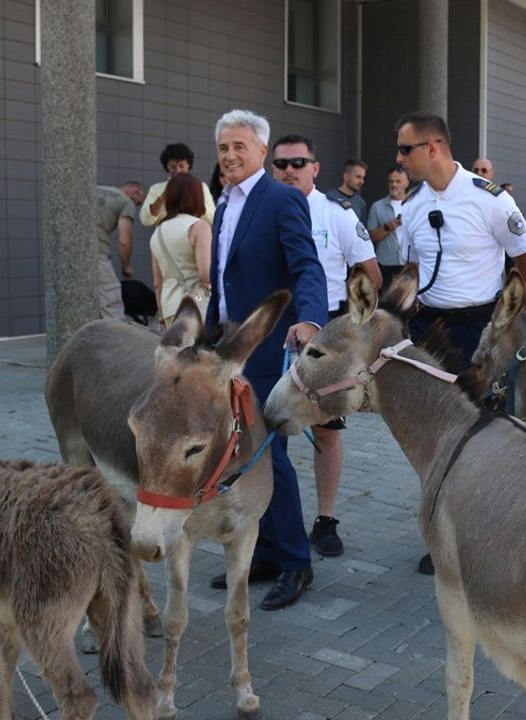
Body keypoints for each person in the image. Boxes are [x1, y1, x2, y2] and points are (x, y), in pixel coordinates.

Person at [394, 110, 526, 575]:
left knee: (485, 432)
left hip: (478, 329)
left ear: (432, 147)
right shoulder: (411, 207)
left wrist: (515, 322)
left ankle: (492, 534)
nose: (399, 159)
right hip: (428, 329)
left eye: (405, 149)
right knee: (434, 432)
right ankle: (444, 531)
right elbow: (411, 271)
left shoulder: (489, 199)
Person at [204, 109, 328, 611]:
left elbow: (306, 267)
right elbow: (223, 276)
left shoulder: (280, 199)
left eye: (239, 147)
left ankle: (298, 563)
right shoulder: (223, 205)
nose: (229, 156)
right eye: (222, 148)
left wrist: (311, 320)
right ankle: (269, 552)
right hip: (228, 347)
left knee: (267, 454)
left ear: (260, 151)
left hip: (267, 346)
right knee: (240, 452)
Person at [270, 133, 381, 559]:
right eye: (282, 164)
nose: (290, 170)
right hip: (273, 326)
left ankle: (326, 520)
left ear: (315, 168)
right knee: (264, 427)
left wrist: (347, 332)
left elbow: (372, 275)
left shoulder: (336, 213)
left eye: (300, 162)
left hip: (323, 333)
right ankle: (270, 527)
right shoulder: (262, 209)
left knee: (324, 432)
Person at [148, 173, 211, 325]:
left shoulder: (158, 232)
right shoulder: (199, 227)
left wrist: (162, 313)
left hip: (169, 306)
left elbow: (157, 282)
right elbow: (205, 274)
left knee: (176, 350)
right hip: (197, 305)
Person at [95, 181, 145, 319]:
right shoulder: (125, 201)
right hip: (97, 252)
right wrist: (126, 266)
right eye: (137, 203)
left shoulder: (95, 188)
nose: (135, 205)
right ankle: (116, 338)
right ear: (136, 191)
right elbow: (124, 241)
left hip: (71, 253)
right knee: (111, 299)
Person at [140, 143, 216, 227]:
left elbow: (212, 218)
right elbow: (145, 220)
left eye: (181, 166)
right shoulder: (156, 189)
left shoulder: (201, 187)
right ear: (167, 167)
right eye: (173, 167)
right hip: (166, 237)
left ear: (188, 166)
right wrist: (162, 198)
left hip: (193, 237)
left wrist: (195, 199)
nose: (178, 171)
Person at [367, 165, 410, 288]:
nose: (394, 184)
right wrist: (386, 228)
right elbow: (370, 238)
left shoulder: (414, 205)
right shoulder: (377, 207)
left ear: (406, 183)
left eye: (398, 181)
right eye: (391, 181)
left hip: (409, 264)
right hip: (386, 264)